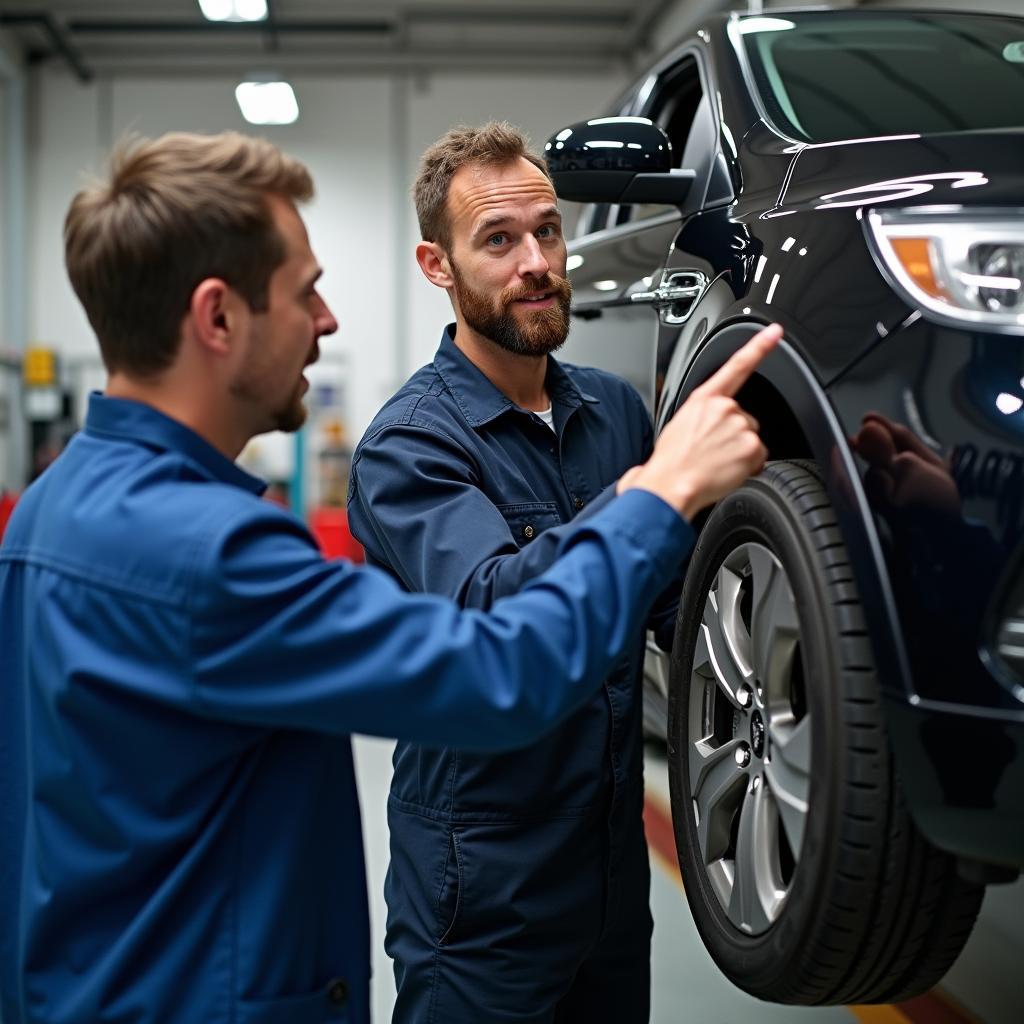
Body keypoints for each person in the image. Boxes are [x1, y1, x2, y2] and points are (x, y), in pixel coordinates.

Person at [0, 129, 778, 1024]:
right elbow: (493, 669)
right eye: (307, 292)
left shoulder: (52, 511)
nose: (328, 321)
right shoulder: (215, 552)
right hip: (274, 969)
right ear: (217, 318)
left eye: (548, 231)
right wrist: (658, 493)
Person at [346, 122, 769, 1022]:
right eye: (498, 240)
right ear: (437, 266)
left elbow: (678, 606)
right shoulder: (410, 447)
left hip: (613, 886)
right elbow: (496, 620)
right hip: (481, 897)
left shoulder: (613, 411)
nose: (536, 261)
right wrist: (657, 493)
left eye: (547, 230)